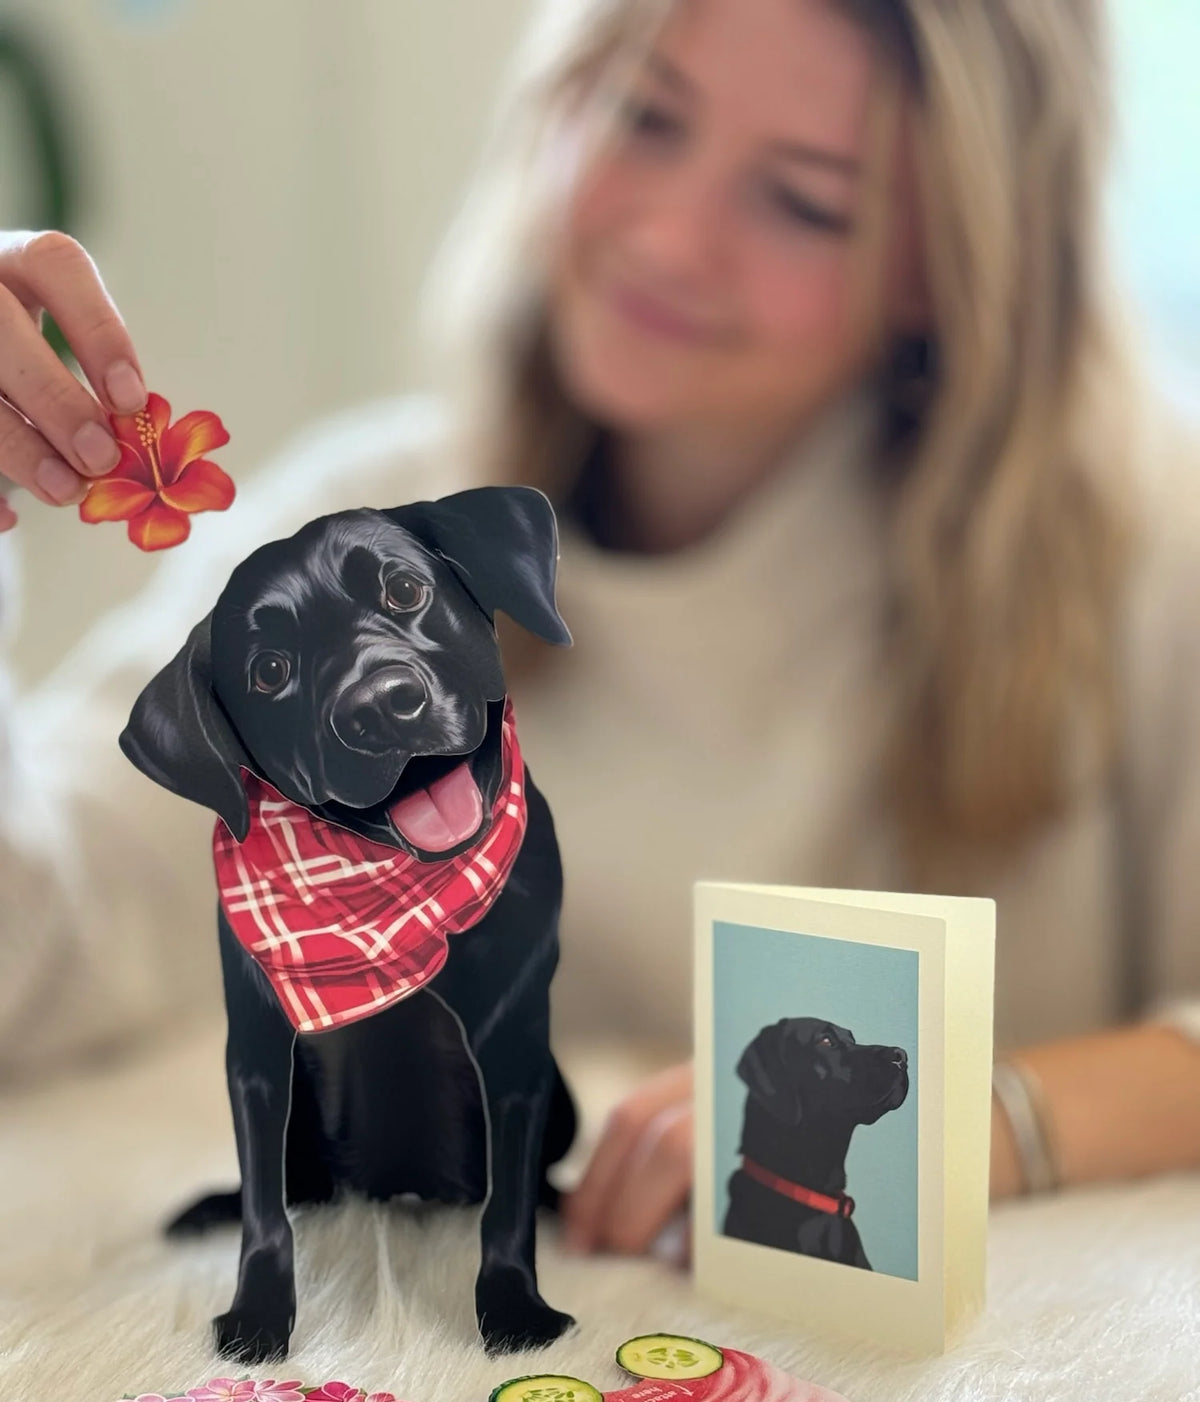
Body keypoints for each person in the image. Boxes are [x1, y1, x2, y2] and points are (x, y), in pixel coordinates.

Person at [0, 0, 1197, 1251]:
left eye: (804, 201)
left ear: (951, 267)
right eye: (645, 116)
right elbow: (35, 951)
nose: (672, 240)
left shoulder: (1154, 547)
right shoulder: (351, 552)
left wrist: (992, 1121)